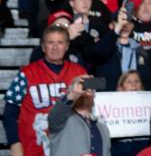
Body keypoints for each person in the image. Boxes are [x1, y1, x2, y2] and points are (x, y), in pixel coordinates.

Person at [3, 25, 87, 156]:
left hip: (70, 146)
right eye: (50, 42)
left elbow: (91, 106)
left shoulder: (80, 72)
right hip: (33, 148)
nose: (55, 47)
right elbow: (9, 113)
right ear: (43, 47)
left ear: (67, 46)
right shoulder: (26, 73)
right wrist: (14, 143)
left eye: (60, 42)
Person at [48, 74, 112, 156]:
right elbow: (55, 116)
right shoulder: (62, 120)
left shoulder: (103, 128)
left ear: (94, 95)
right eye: (81, 85)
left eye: (89, 86)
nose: (84, 89)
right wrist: (73, 94)